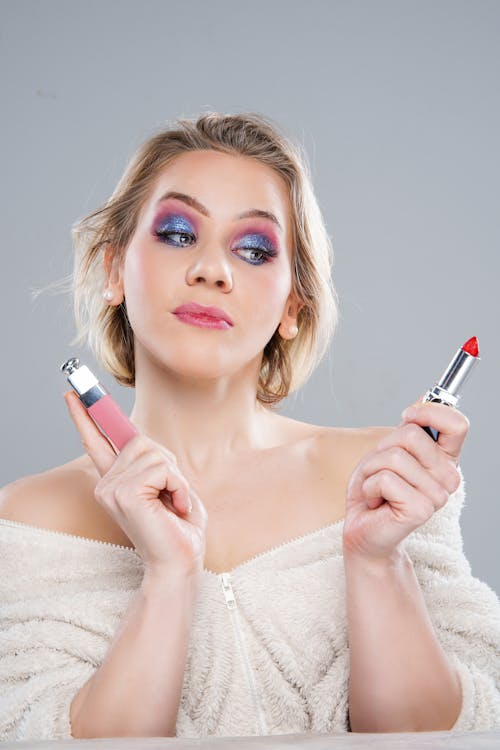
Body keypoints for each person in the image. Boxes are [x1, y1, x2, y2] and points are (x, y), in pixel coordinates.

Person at [0, 112, 499, 741]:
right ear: (111, 270)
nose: (214, 270)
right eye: (179, 233)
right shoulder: (25, 521)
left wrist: (377, 564)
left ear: (293, 306)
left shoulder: (389, 477)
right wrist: (168, 577)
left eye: (255, 249)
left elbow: (460, 736)